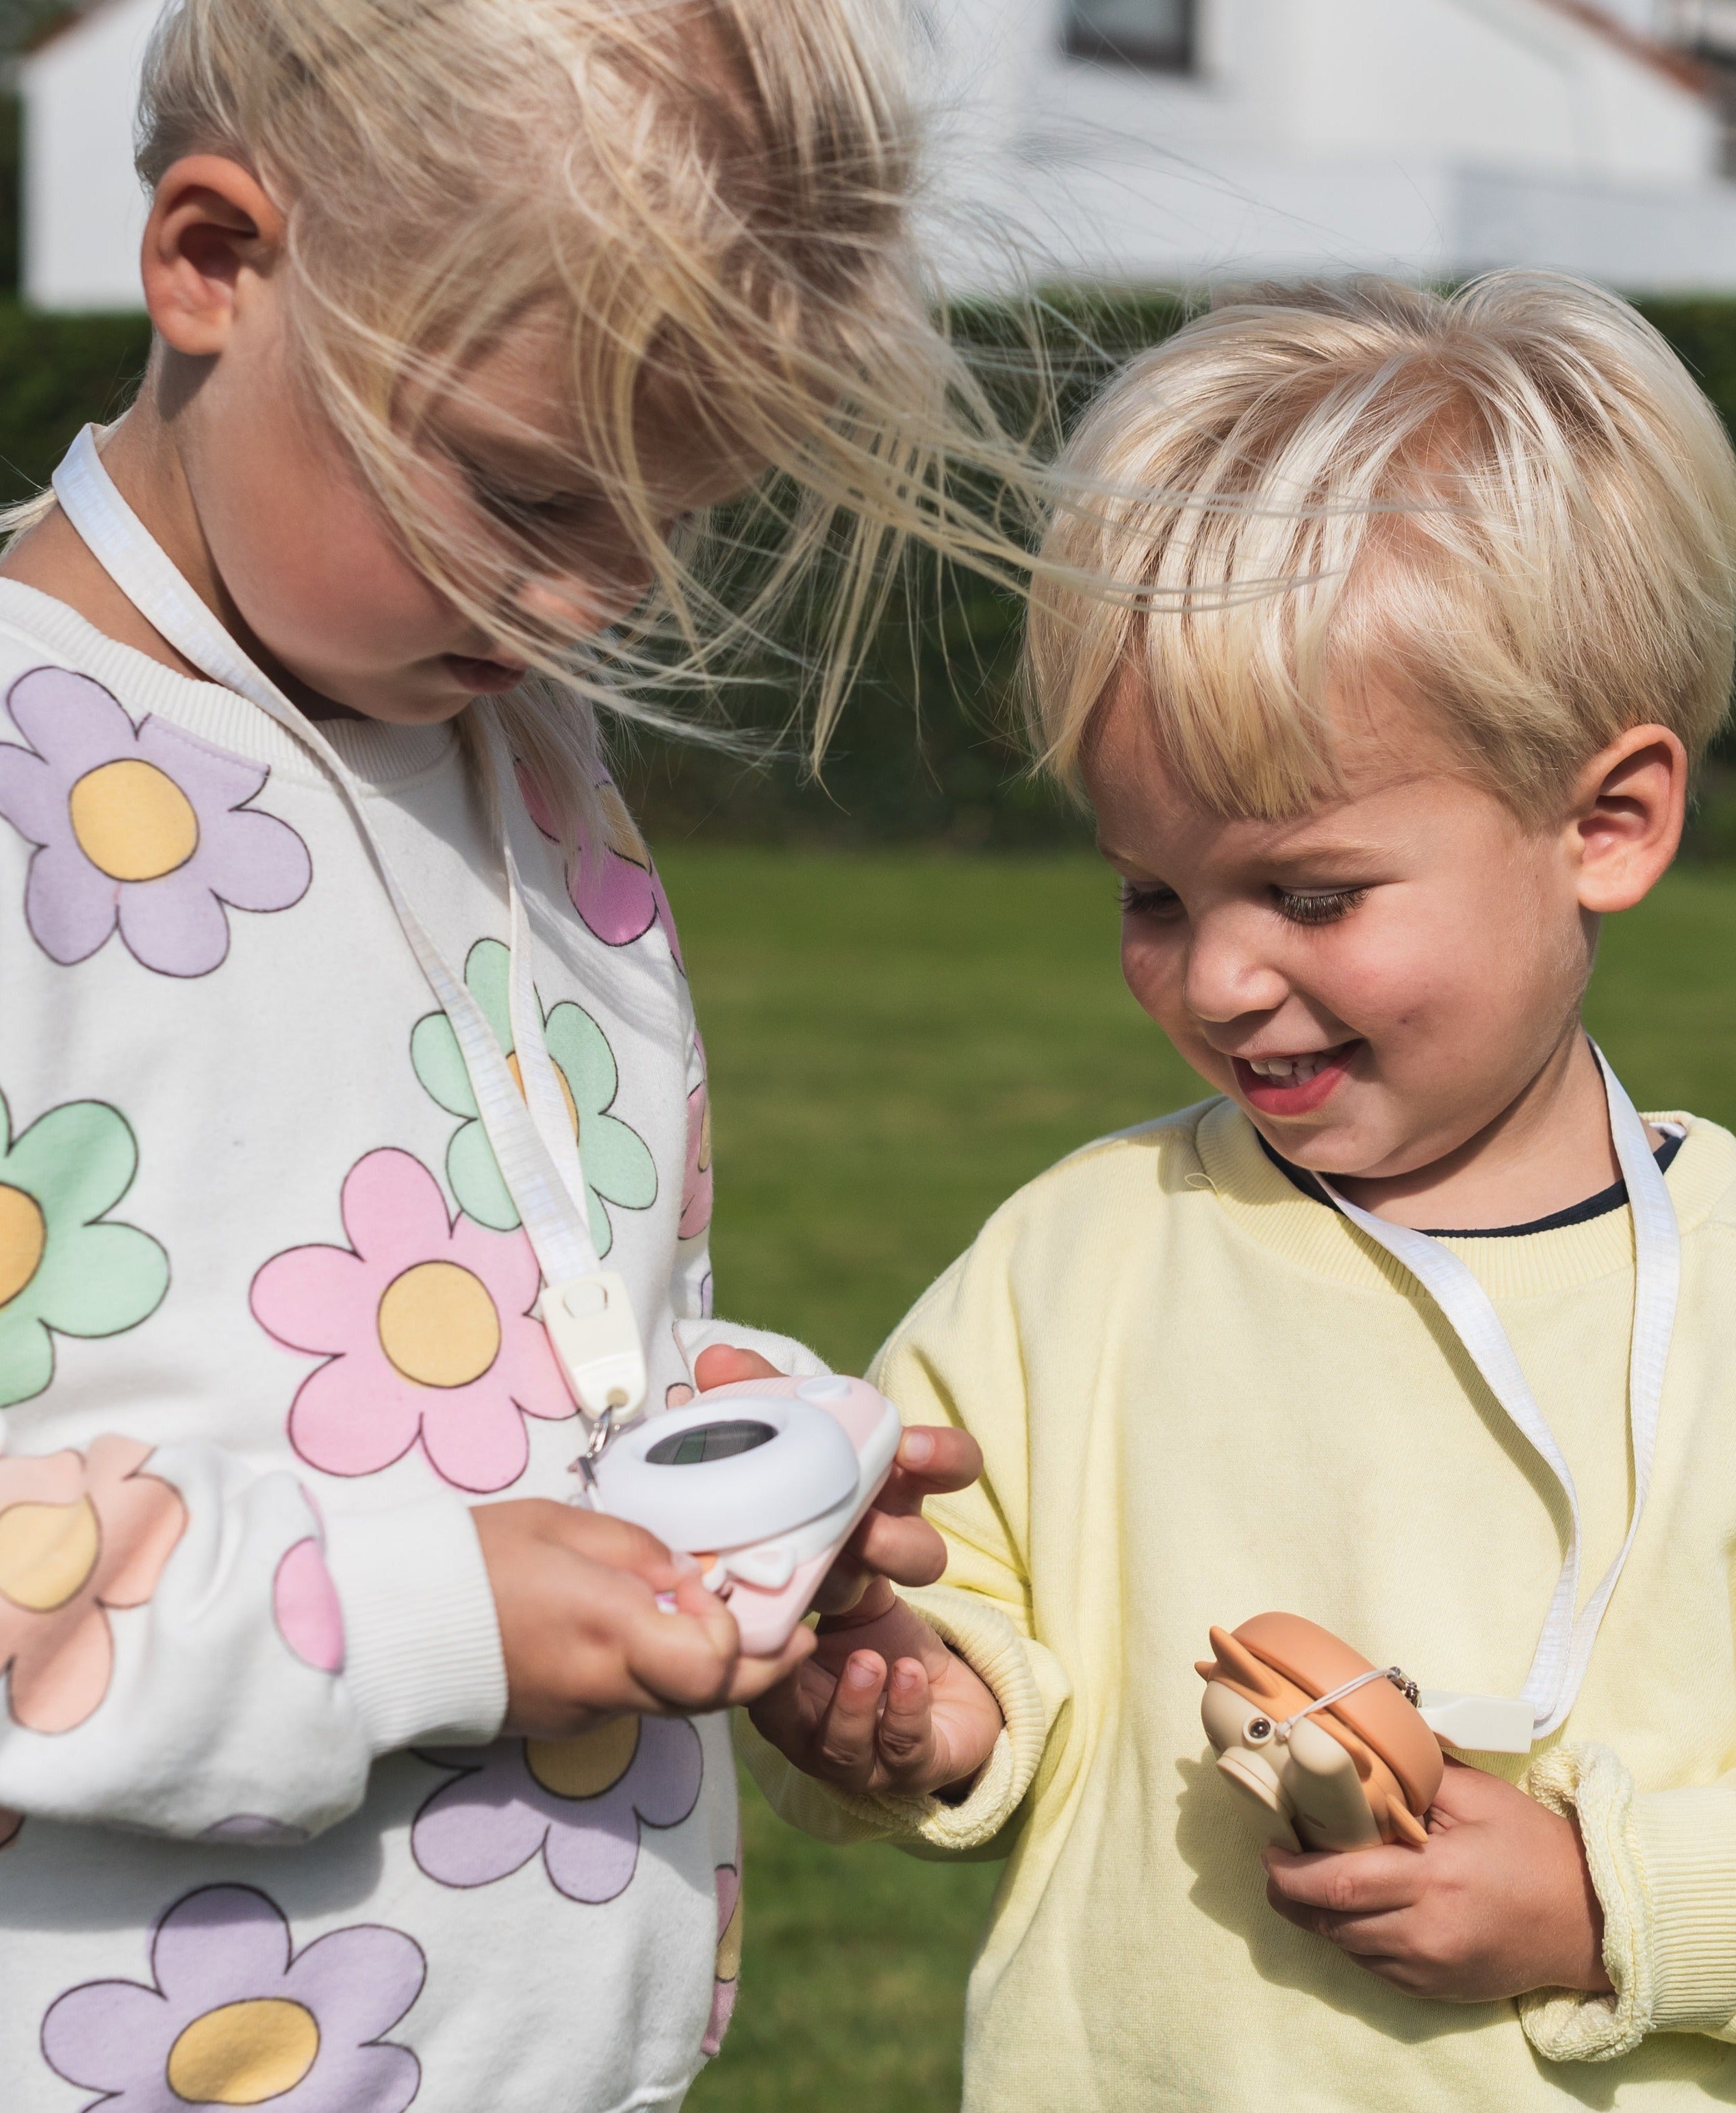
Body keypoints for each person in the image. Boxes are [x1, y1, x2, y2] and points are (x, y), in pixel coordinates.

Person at [742, 275, 1736, 2110]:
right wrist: (912, 1696)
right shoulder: (1077, 1262)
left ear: (1604, 826)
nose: (1214, 981)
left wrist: (1613, 1904)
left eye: (1308, 895)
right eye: (1153, 894)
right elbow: (963, 1604)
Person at [0, 1, 999, 2106]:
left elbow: (548, 1331)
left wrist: (741, 1464)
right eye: (528, 490)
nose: (586, 605)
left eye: (667, 520)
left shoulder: (524, 765)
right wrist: (435, 1613)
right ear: (212, 260)